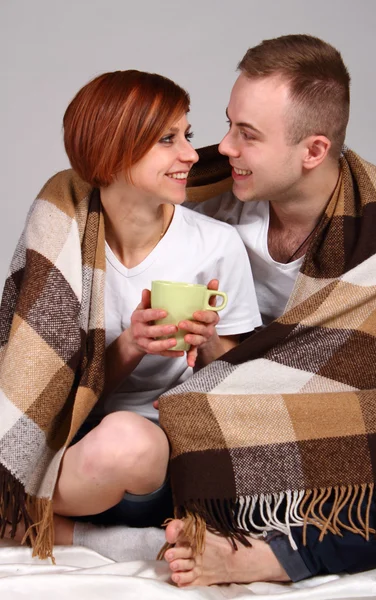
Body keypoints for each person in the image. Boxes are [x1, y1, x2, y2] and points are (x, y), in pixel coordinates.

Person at [158, 34, 376, 586]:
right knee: (127, 442)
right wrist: (215, 350)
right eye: (227, 124)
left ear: (312, 151)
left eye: (247, 135)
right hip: (202, 415)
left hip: (324, 420)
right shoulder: (203, 196)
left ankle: (271, 557)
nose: (224, 147)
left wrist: (231, 368)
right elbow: (103, 188)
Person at [0, 70, 261, 557]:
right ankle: (103, 541)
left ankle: (25, 519)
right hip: (67, 444)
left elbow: (237, 390)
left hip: (154, 459)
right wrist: (131, 344)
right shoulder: (63, 236)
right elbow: (36, 377)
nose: (190, 155)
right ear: (113, 151)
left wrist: (205, 340)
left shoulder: (215, 245)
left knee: (126, 439)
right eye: (168, 139)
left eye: (187, 135)